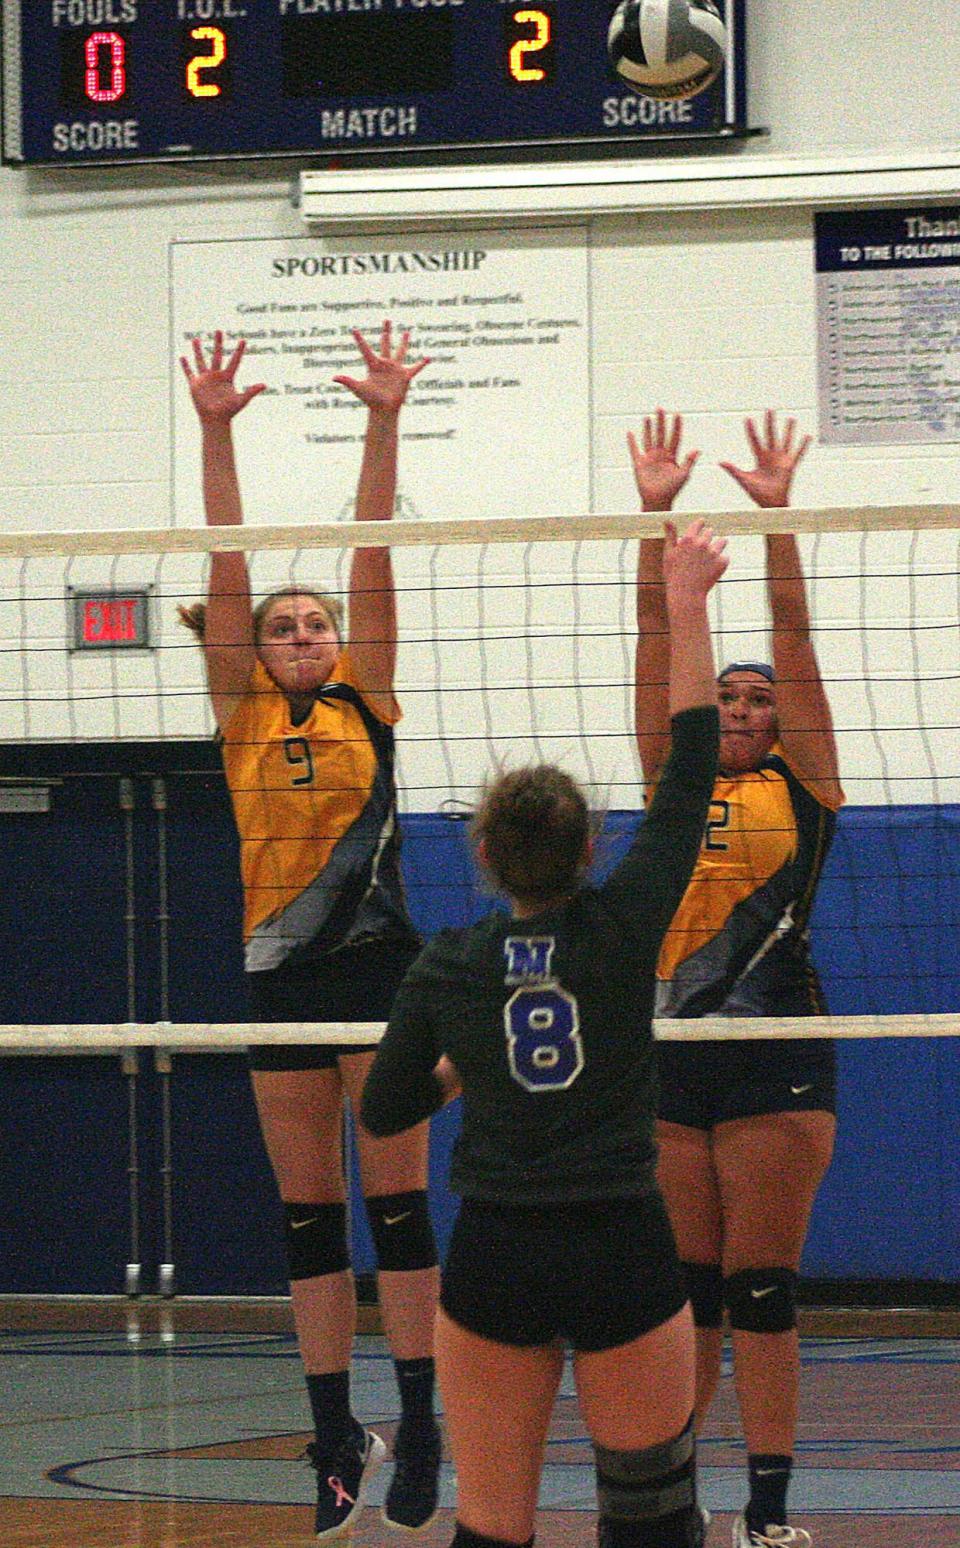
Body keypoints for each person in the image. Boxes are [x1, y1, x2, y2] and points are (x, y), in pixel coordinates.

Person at [362, 517, 729, 1548]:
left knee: (493, 1528)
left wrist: (463, 1071)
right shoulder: (622, 927)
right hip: (621, 1240)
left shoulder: (449, 963)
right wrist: (687, 603)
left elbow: (385, 1107)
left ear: (482, 850)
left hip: (497, 1253)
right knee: (651, 1521)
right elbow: (691, 772)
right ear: (591, 845)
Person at [179, 322, 442, 1541]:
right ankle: (333, 1430)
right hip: (278, 982)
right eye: (283, 628)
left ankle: (424, 1415)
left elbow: (374, 552)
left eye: (314, 625)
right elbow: (226, 568)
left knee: (397, 1209)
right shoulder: (238, 712)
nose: (299, 637)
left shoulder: (367, 700)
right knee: (307, 1219)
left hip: (381, 975)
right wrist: (216, 429)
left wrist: (384, 421)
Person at [630, 410, 844, 1548]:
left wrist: (776, 523)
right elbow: (651, 643)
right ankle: (672, 1500)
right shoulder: (673, 777)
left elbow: (797, 638)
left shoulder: (805, 788)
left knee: (761, 1293)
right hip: (674, 1058)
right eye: (729, 697)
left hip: (776, 1060)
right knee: (686, 1301)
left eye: (758, 698)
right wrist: (657, 519)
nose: (745, 708)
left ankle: (767, 1509)